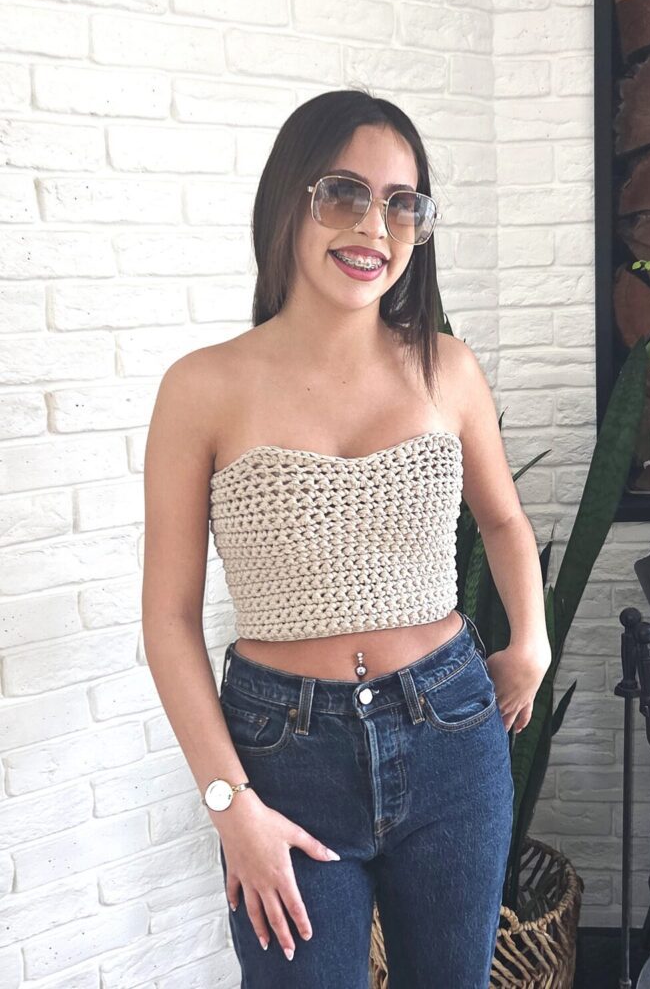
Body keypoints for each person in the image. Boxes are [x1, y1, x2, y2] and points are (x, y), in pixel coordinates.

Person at [142, 88, 551, 989]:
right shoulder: (202, 388)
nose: (375, 227)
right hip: (283, 758)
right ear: (288, 198)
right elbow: (168, 619)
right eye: (344, 193)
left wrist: (531, 642)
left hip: (451, 732)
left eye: (403, 204)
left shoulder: (448, 367)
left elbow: (503, 519)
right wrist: (230, 806)